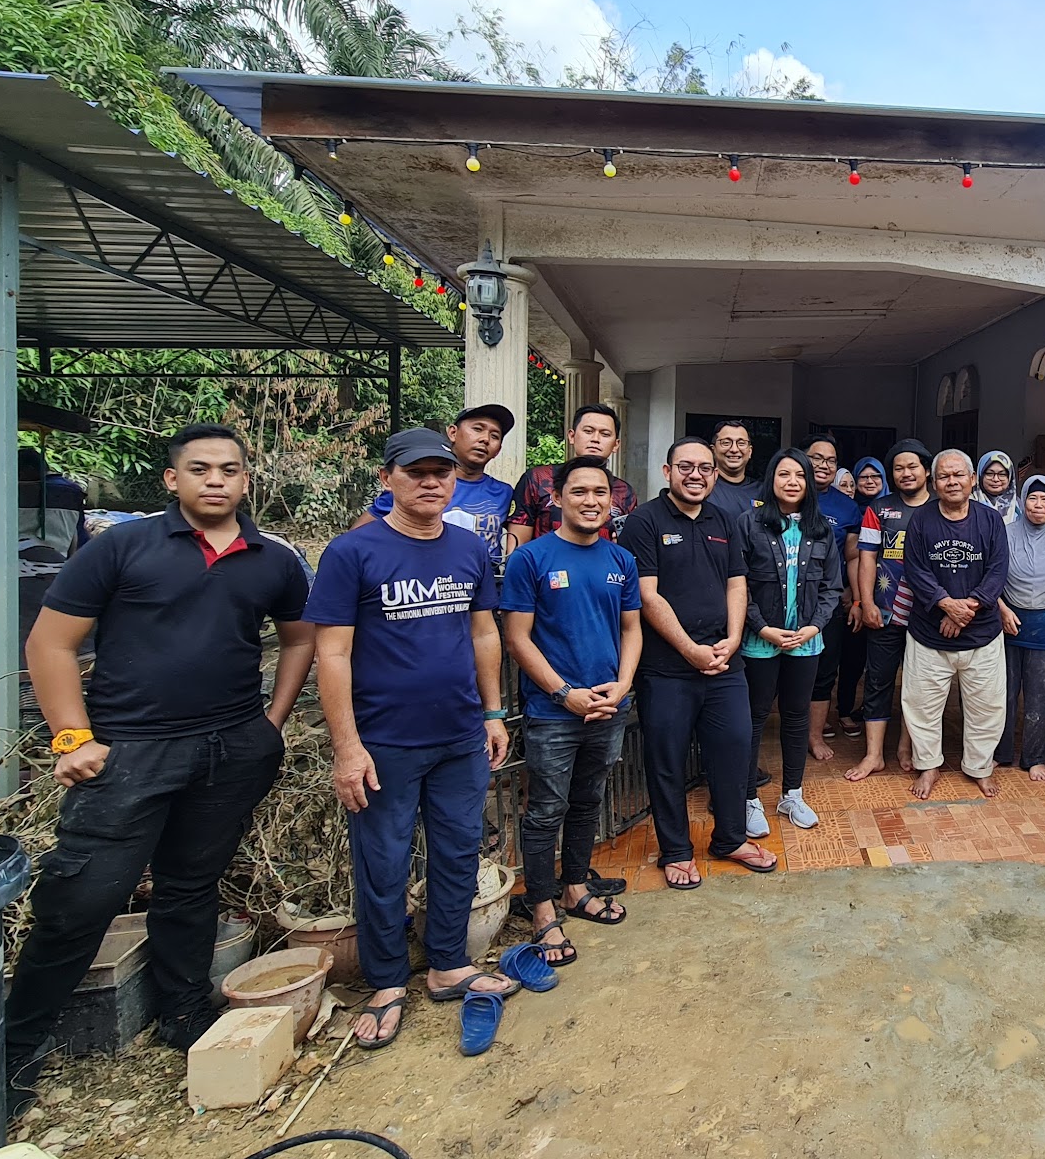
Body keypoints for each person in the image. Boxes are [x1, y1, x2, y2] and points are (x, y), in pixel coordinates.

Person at [8, 425, 314, 1109]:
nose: (216, 480)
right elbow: (50, 644)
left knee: (191, 884)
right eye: (200, 469)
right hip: (130, 753)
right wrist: (72, 739)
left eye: (229, 469)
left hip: (230, 747)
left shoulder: (273, 559)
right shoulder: (122, 548)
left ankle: (184, 1012)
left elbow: (300, 639)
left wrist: (270, 723)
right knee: (81, 900)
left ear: (246, 480)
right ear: (172, 479)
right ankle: (14, 1051)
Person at [310, 428, 516, 1054]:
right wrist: (347, 747)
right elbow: (331, 653)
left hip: (459, 735)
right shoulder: (353, 552)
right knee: (384, 863)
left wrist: (493, 713)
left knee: (457, 853)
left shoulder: (468, 548)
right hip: (385, 743)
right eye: (416, 472)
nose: (431, 482)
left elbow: (484, 634)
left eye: (441, 472)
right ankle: (386, 981)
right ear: (387, 479)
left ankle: (448, 963)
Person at [500, 456, 642, 975]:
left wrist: (623, 685)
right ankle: (542, 906)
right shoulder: (530, 559)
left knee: (588, 801)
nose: (590, 500)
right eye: (579, 491)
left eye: (600, 492)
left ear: (611, 501)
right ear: (557, 498)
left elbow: (631, 629)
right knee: (545, 810)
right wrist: (564, 693)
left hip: (608, 705)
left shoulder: (620, 559)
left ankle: (575, 887)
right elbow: (516, 638)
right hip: (553, 711)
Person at [624, 436, 777, 888]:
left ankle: (730, 839)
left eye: (704, 468)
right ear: (667, 471)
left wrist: (733, 639)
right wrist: (689, 649)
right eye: (686, 466)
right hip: (666, 669)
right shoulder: (644, 521)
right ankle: (675, 850)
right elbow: (647, 594)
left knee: (734, 751)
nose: (696, 475)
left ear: (714, 475)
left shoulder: (724, 520)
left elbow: (737, 584)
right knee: (667, 760)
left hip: (725, 664)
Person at [738, 449, 846, 834]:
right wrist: (762, 628)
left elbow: (833, 587)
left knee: (797, 717)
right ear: (771, 480)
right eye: (784, 474)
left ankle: (792, 795)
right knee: (754, 718)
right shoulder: (749, 523)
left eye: (800, 475)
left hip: (806, 642)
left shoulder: (821, 529)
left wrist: (814, 627)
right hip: (759, 641)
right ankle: (748, 799)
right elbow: (738, 585)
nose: (792, 482)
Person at [901, 449, 1011, 799]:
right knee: (922, 706)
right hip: (929, 633)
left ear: (972, 479)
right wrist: (947, 605)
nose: (952, 481)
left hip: (982, 634)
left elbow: (998, 570)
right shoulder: (921, 520)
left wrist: (967, 610)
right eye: (944, 476)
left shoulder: (990, 520)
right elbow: (915, 569)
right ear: (933, 482)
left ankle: (980, 767)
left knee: (987, 707)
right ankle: (928, 765)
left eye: (959, 474)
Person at [847, 439, 931, 782]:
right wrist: (866, 603)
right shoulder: (878, 509)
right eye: (898, 468)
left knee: (918, 685)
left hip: (927, 616)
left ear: (926, 471)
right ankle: (874, 754)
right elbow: (866, 557)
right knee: (878, 681)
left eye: (912, 466)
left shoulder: (940, 507)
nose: (906, 473)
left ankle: (906, 747)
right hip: (885, 613)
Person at [356, 404, 515, 568]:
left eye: (494, 436)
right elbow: (357, 538)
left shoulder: (504, 493)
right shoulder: (412, 487)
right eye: (477, 429)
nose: (485, 439)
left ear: (498, 450)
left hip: (485, 579)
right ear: (452, 433)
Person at [997, 475, 1045, 781]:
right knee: (1003, 692)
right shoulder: (1004, 534)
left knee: (1040, 694)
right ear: (1022, 500)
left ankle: (1035, 757)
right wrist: (1001, 608)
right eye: (1032, 497)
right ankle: (1000, 753)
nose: (1038, 504)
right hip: (1008, 620)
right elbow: (991, 575)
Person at [803, 434, 862, 763]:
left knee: (824, 671)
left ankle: (814, 736)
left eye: (831, 460)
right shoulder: (787, 492)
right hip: (786, 599)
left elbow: (852, 556)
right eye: (817, 458)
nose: (824, 465)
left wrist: (854, 597)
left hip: (828, 601)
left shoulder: (847, 506)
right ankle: (786, 731)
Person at [509, 403, 637, 545]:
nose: (595, 439)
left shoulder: (624, 492)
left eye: (605, 434)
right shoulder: (538, 479)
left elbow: (628, 543)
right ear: (571, 436)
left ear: (616, 444)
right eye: (588, 431)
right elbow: (517, 543)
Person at [833, 457, 890, 733]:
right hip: (854, 595)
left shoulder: (895, 508)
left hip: (891, 599)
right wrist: (854, 596)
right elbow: (852, 557)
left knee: (881, 665)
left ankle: (874, 712)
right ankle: (844, 709)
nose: (869, 481)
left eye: (875, 476)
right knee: (852, 658)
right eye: (863, 477)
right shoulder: (851, 512)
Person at [707, 418, 759, 518]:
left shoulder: (763, 491)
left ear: (750, 451)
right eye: (726, 443)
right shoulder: (704, 487)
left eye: (741, 443)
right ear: (713, 450)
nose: (734, 449)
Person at [975, 450, 1018, 517]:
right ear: (981, 476)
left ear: (1010, 477)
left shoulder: (1019, 507)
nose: (995, 479)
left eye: (1002, 474)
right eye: (989, 473)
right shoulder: (967, 505)